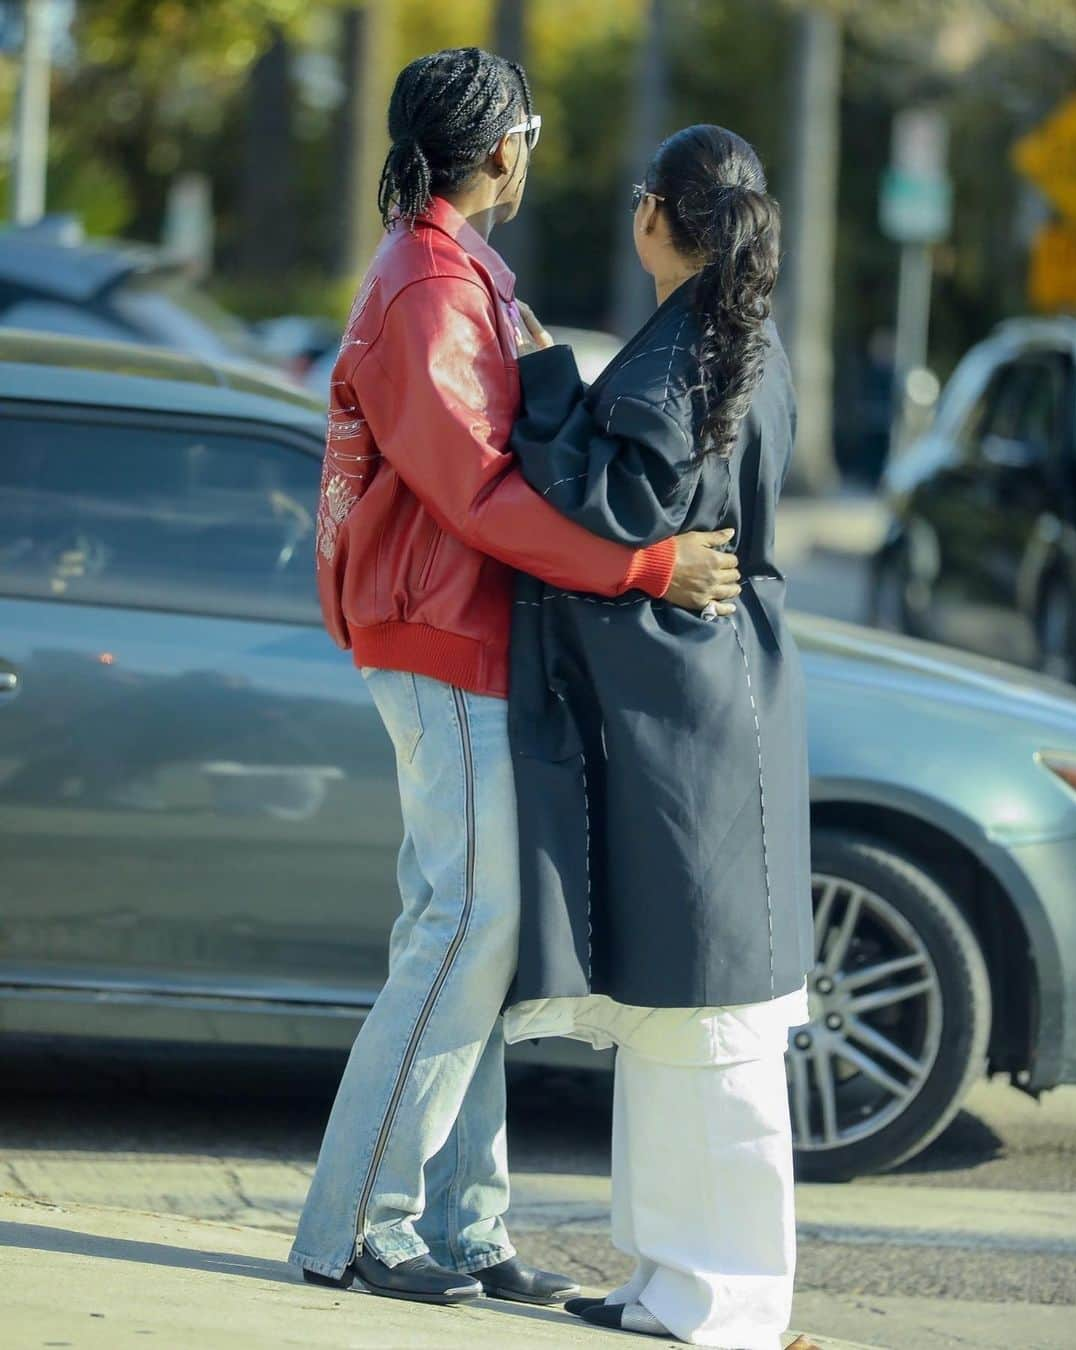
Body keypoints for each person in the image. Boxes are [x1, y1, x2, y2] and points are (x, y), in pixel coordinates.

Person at [290, 50, 742, 1310]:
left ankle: (466, 1230)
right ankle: (355, 1228)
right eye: (530, 131)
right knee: (464, 934)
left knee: (468, 942)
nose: (533, 150)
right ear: (501, 150)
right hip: (440, 638)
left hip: (456, 635)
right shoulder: (433, 285)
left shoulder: (457, 269)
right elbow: (477, 493)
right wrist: (647, 564)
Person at [501, 125, 817, 1350]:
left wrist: (541, 386)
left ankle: (718, 1300)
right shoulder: (737, 341)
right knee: (686, 1011)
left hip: (692, 707)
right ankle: (667, 1281)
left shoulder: (683, 349)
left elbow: (614, 500)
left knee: (709, 1015)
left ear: (657, 219)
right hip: (722, 696)